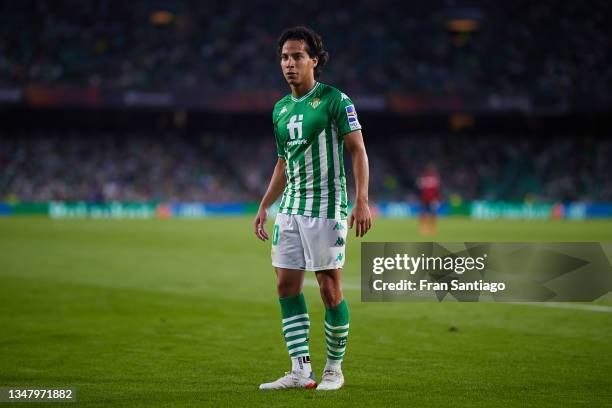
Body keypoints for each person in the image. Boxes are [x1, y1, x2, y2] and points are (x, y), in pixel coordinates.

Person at [253, 26, 371, 391]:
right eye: (285, 57)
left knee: (328, 287)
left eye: (297, 57)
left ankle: (334, 369)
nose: (289, 64)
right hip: (289, 208)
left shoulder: (336, 100)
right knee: (286, 286)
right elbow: (283, 163)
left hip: (326, 208)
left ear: (313, 61)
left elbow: (358, 150)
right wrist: (264, 205)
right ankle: (300, 370)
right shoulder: (280, 109)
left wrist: (362, 199)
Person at [417, 162, 440, 235]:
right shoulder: (435, 177)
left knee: (424, 212)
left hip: (425, 197)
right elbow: (437, 189)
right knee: (432, 213)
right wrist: (437, 199)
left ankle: (423, 228)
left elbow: (420, 187)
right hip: (432, 198)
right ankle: (431, 228)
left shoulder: (423, 177)